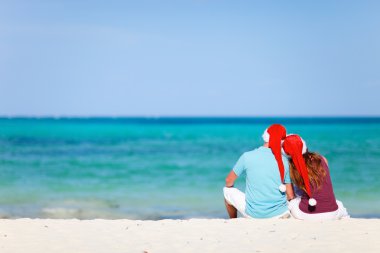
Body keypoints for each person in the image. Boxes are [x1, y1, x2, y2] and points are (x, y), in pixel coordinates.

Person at [223, 124, 295, 219]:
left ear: (265, 137)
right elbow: (290, 195)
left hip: (254, 214)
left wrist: (231, 187)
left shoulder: (247, 156)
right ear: (281, 141)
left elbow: (228, 180)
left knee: (227, 191)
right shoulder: (284, 160)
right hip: (280, 213)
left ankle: (233, 220)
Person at [282, 134, 349, 220]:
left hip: (306, 214)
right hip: (332, 212)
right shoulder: (322, 159)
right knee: (339, 204)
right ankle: (346, 217)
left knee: (291, 202)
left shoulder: (291, 167)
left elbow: (290, 196)